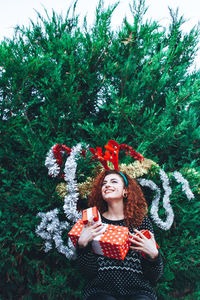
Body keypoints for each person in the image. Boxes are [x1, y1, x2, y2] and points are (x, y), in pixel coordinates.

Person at [77, 170, 163, 300]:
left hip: (139, 292)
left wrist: (154, 256)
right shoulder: (93, 223)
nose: (107, 185)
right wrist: (82, 246)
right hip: (100, 291)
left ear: (125, 191)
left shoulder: (141, 223)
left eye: (114, 181)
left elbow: (154, 277)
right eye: (104, 183)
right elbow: (88, 273)